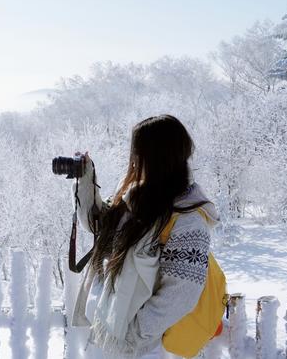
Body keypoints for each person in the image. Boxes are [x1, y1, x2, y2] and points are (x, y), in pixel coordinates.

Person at [70, 115, 220, 358]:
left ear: (157, 156)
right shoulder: (135, 195)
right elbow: (98, 225)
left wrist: (133, 337)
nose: (133, 160)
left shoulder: (187, 219)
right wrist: (85, 182)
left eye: (138, 153)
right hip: (108, 331)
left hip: (144, 348)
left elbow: (181, 293)